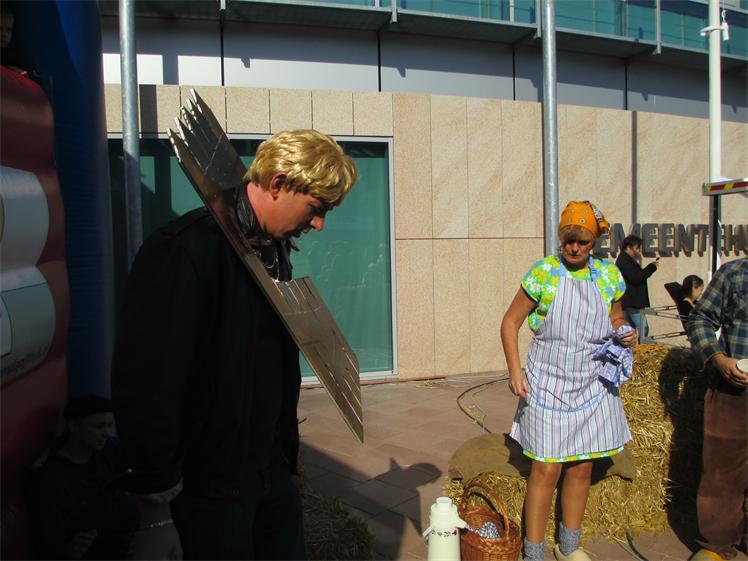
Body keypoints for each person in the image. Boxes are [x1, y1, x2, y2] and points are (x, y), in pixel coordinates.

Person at [111, 129, 357, 560]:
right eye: (317, 208)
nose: (319, 224)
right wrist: (156, 514)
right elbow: (149, 387)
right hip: (209, 489)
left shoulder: (272, 249)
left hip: (268, 472)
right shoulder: (184, 251)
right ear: (278, 183)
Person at [501, 201, 637, 561]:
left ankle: (569, 547)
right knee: (546, 468)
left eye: (583, 242)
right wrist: (515, 371)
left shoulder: (607, 276)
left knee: (582, 466)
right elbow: (510, 322)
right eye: (569, 241)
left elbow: (616, 315)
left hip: (592, 384)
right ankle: (533, 552)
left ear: (595, 242)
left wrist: (624, 329)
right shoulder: (544, 273)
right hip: (547, 383)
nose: (574, 248)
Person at [685, 258, 748, 561]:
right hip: (734, 389)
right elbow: (700, 319)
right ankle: (717, 545)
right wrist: (718, 359)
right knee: (722, 471)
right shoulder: (733, 273)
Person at [30, 395, 138, 559]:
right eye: (98, 426)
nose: (106, 433)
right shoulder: (51, 480)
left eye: (109, 425)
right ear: (73, 426)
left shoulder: (108, 449)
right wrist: (69, 548)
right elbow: (49, 541)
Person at [615, 234, 659, 337]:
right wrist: (651, 267)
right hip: (632, 302)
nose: (638, 251)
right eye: (636, 248)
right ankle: (643, 347)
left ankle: (634, 347)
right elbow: (636, 277)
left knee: (631, 330)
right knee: (643, 328)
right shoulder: (624, 261)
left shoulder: (625, 259)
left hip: (631, 301)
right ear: (628, 247)